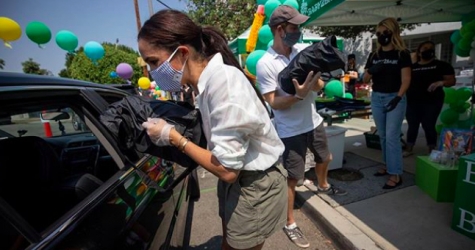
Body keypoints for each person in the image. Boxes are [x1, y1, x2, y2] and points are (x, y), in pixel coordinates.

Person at [137, 9, 288, 250]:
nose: (153, 72)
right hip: (239, 180)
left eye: (154, 62)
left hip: (254, 184)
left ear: (182, 53)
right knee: (230, 239)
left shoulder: (224, 84)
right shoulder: (204, 85)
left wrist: (174, 137)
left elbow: (228, 170)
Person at [256, 5, 347, 248]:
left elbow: (317, 86)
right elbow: (274, 102)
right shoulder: (265, 64)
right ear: (279, 29)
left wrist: (315, 84)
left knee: (325, 157)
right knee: (293, 178)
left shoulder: (303, 51)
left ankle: (323, 185)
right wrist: (297, 96)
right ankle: (290, 222)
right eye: (294, 26)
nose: (299, 30)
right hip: (290, 130)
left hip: (313, 121)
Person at [363, 17, 412, 189]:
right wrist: (371, 70)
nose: (382, 36)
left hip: (395, 97)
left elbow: (406, 79)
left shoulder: (402, 54)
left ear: (393, 33)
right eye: (378, 33)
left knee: (392, 137)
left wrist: (398, 97)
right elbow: (364, 78)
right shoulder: (374, 55)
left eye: (385, 32)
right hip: (377, 97)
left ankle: (396, 173)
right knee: (382, 136)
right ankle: (388, 165)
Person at [404, 41, 455, 156]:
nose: (428, 50)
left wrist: (440, 82)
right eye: (425, 48)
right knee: (412, 124)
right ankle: (409, 148)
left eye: (431, 48)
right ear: (419, 51)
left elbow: (452, 80)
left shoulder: (442, 65)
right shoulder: (412, 67)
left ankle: (432, 149)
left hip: (432, 101)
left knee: (428, 124)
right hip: (412, 101)